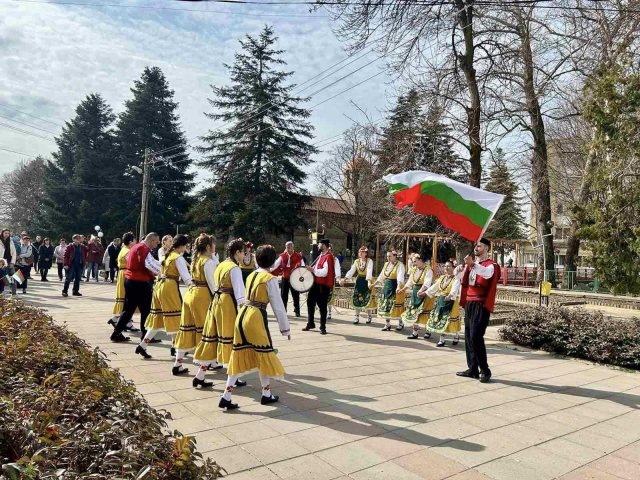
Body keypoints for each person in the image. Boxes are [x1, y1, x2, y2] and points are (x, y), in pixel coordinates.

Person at [219, 244, 291, 410]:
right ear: (273, 261)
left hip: (242, 315)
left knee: (238, 355)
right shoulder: (270, 279)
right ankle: (265, 394)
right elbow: (278, 306)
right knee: (264, 354)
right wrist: (285, 329)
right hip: (256, 316)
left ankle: (227, 396)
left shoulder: (251, 275)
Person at [193, 238, 246, 388]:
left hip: (216, 302)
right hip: (227, 304)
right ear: (237, 252)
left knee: (212, 338)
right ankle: (233, 376)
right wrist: (244, 311)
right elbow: (240, 294)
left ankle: (200, 376)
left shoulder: (221, 264)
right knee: (230, 339)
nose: (244, 255)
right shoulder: (234, 268)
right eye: (243, 252)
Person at [135, 234, 192, 360]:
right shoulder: (177, 257)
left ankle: (143, 345)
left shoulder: (168, 255)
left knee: (159, 318)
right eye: (185, 246)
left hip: (160, 286)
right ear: (182, 245)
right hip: (169, 288)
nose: (186, 248)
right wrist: (195, 288)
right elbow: (186, 278)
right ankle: (176, 348)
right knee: (175, 317)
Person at [455, 238, 501, 383]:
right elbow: (463, 280)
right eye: (476, 246)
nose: (476, 248)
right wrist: (459, 271)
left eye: (479, 246)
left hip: (481, 304)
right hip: (469, 303)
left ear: (486, 248)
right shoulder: (472, 265)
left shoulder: (492, 265)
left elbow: (487, 274)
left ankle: (485, 370)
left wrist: (473, 264)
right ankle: (472, 369)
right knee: (469, 337)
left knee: (476, 336)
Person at [174, 234, 219, 377]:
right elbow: (213, 284)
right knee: (206, 331)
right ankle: (205, 364)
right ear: (208, 246)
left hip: (191, 294)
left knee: (186, 329)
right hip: (202, 296)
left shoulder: (196, 259)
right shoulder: (208, 262)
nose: (215, 246)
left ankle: (178, 364)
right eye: (213, 244)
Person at [110, 233, 161, 342]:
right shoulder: (143, 249)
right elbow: (150, 264)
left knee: (129, 309)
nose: (157, 244)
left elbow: (151, 262)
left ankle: (116, 333)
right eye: (157, 242)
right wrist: (163, 271)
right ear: (151, 240)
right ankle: (145, 336)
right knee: (146, 310)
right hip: (140, 282)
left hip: (131, 281)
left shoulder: (137, 247)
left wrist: (161, 265)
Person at [302, 238, 340, 335]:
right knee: (310, 302)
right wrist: (311, 269)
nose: (318, 246)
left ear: (324, 245)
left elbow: (324, 272)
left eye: (319, 244)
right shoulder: (321, 256)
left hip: (323, 285)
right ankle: (310, 323)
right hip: (316, 283)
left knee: (322, 306)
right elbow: (317, 268)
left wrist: (313, 270)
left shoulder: (328, 257)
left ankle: (323, 327)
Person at [424, 261, 462, 347]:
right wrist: (425, 293)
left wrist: (450, 295)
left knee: (451, 319)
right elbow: (434, 287)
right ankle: (442, 339)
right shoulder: (441, 278)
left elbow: (455, 288)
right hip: (441, 300)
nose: (446, 268)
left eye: (449, 266)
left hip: (451, 301)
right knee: (440, 319)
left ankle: (456, 335)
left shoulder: (456, 279)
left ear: (453, 268)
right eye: (445, 266)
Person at [107, 232, 139, 332]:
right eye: (134, 240)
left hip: (124, 273)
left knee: (128, 300)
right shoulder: (127, 251)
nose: (136, 241)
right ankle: (122, 321)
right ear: (130, 241)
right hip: (126, 274)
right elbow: (132, 263)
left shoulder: (124, 249)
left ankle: (120, 320)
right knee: (128, 299)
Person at [372, 250, 406, 332]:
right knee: (385, 305)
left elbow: (400, 277)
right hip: (387, 287)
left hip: (395, 286)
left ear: (395, 256)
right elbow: (381, 275)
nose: (388, 258)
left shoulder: (400, 265)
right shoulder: (386, 264)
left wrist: (398, 287)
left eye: (390, 256)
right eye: (387, 256)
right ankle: (387, 324)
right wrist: (374, 284)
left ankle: (400, 323)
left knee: (397, 305)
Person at [403, 252, 435, 339]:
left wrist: (421, 290)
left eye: (415, 261)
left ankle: (428, 331)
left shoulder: (428, 270)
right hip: (415, 292)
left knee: (426, 312)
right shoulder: (414, 269)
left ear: (420, 260)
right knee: (414, 311)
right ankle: (415, 332)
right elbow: (410, 281)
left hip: (426, 293)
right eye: (413, 261)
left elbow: (427, 283)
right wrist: (403, 289)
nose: (413, 263)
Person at [340, 246, 374, 325]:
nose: (360, 253)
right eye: (359, 252)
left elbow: (369, 271)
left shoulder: (369, 261)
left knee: (367, 298)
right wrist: (345, 279)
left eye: (362, 252)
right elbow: (352, 271)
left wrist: (369, 282)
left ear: (366, 253)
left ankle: (369, 316)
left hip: (367, 280)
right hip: (359, 281)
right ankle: (357, 317)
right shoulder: (356, 261)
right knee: (357, 297)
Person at [270, 241, 305, 317]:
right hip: (285, 277)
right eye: (287, 247)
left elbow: (303, 266)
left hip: (294, 278)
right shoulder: (282, 256)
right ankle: (284, 310)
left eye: (289, 247)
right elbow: (275, 265)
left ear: (292, 247)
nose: (288, 249)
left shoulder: (298, 256)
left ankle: (297, 310)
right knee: (283, 295)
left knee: (295, 295)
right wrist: (268, 270)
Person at [0, 229, 17, 296]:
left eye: (8, 233)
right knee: (4, 278)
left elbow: (14, 253)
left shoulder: (11, 241)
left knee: (14, 278)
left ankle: (14, 294)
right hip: (1, 263)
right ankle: (1, 293)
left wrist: (12, 262)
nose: (7, 234)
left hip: (10, 262)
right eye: (5, 233)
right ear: (2, 233)